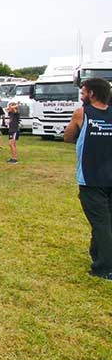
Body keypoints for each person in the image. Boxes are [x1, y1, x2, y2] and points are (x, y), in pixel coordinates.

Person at [64, 78, 112, 280]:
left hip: (90, 178)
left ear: (92, 93)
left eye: (83, 92)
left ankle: (104, 267)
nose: (81, 95)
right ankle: (98, 254)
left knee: (101, 223)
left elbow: (67, 136)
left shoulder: (82, 113)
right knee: (104, 221)